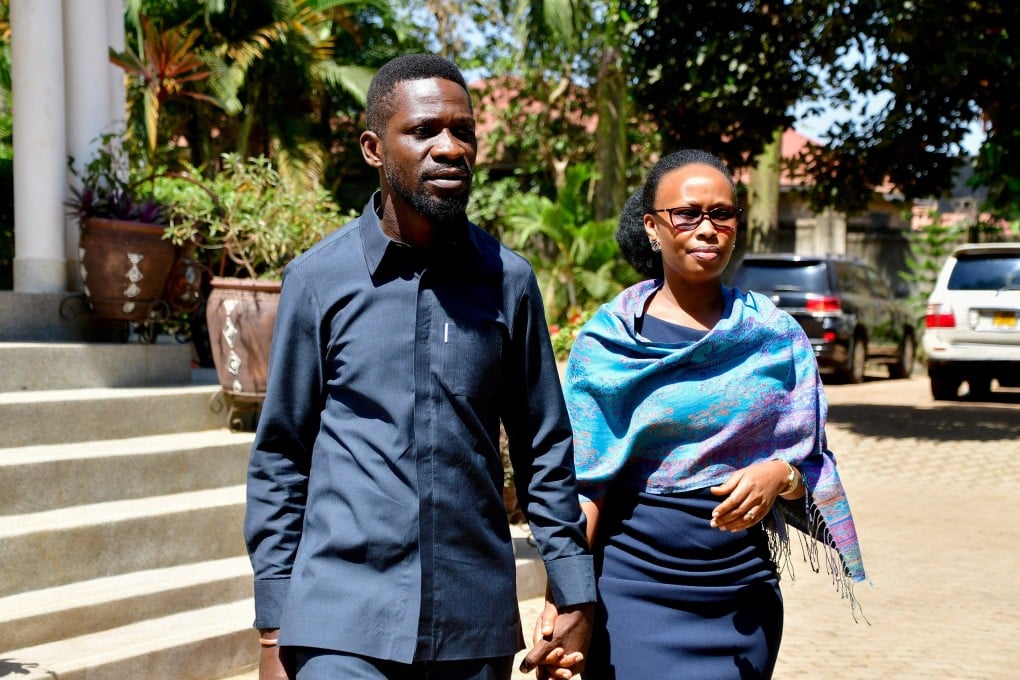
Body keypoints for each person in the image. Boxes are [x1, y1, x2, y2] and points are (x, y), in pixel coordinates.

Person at [244, 53, 594, 680]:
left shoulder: (508, 282)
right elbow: (281, 454)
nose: (451, 148)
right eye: (425, 131)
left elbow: (545, 444)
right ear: (375, 148)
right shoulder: (318, 281)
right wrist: (274, 629)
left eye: (463, 131)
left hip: (471, 624)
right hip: (339, 621)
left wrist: (572, 588)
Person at [536, 149, 867, 679]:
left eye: (722, 213)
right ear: (652, 226)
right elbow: (586, 484)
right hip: (633, 585)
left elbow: (811, 464)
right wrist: (568, 600)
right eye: (687, 213)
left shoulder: (774, 338)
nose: (707, 228)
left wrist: (777, 475)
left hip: (741, 594)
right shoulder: (611, 342)